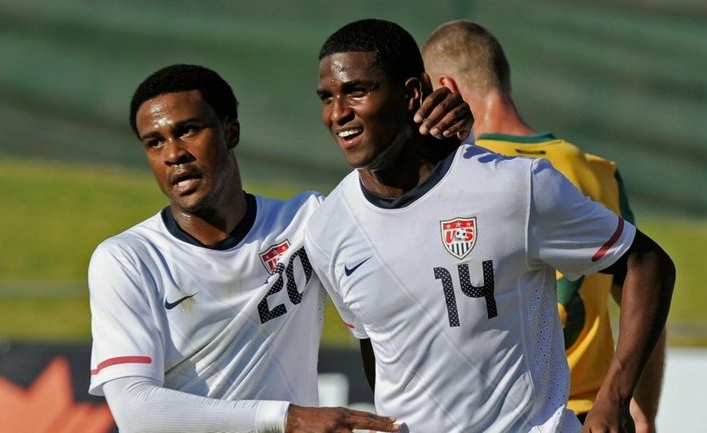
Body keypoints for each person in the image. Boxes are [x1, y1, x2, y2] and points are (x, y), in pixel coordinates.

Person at [305, 18, 675, 433]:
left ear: (412, 92)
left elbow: (647, 263)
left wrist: (615, 399)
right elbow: (379, 351)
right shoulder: (328, 229)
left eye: (356, 91)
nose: (338, 113)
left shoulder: (515, 187)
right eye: (326, 97)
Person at [87, 64, 472, 433]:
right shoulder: (128, 259)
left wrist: (439, 139)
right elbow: (135, 410)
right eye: (155, 142)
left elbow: (404, 217)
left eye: (188, 130)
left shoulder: (309, 222)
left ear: (230, 131)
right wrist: (287, 419)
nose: (174, 153)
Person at [420, 19, 666, 431]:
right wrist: (643, 412)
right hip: (593, 415)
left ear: (446, 87)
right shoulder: (598, 172)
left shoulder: (461, 181)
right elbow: (645, 300)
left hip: (504, 417)